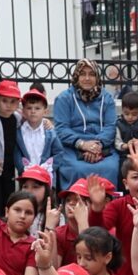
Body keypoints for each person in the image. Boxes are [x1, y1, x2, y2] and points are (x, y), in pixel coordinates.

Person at [52, 59, 122, 193]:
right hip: (73, 147)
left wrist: (97, 146)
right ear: (76, 77)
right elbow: (61, 128)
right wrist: (82, 144)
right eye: (83, 74)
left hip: (102, 147)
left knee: (112, 168)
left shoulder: (106, 98)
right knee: (77, 169)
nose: (87, 78)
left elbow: (110, 126)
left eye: (92, 74)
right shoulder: (64, 99)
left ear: (97, 77)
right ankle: (74, 206)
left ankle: (107, 208)